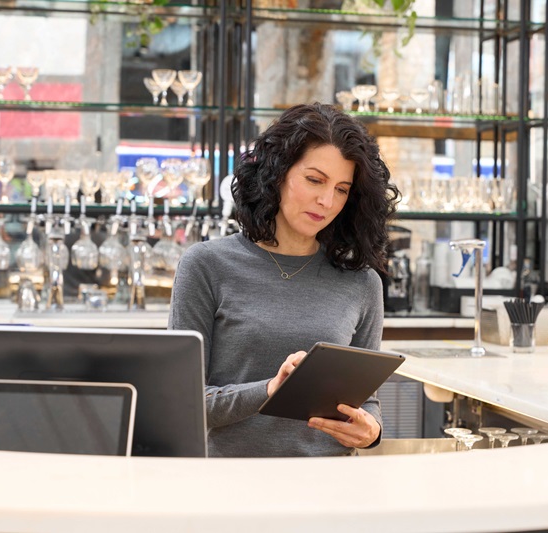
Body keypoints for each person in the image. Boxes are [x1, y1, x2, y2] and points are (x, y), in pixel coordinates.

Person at [168, 102, 400, 457]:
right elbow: (183, 402)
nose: (326, 200)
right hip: (232, 485)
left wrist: (371, 431)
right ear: (276, 174)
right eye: (314, 180)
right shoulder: (206, 265)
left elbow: (365, 402)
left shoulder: (362, 282)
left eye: (342, 189)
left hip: (330, 488)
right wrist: (269, 390)